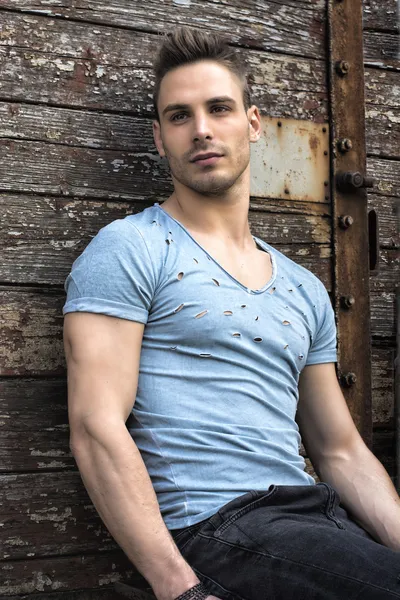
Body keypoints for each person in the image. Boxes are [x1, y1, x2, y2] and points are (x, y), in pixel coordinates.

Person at [62, 26, 400, 600]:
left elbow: (339, 449)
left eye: (219, 108)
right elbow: (96, 427)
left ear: (252, 123)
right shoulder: (131, 248)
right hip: (216, 526)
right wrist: (181, 591)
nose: (201, 130)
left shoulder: (303, 287)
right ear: (159, 137)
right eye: (179, 116)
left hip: (314, 522)